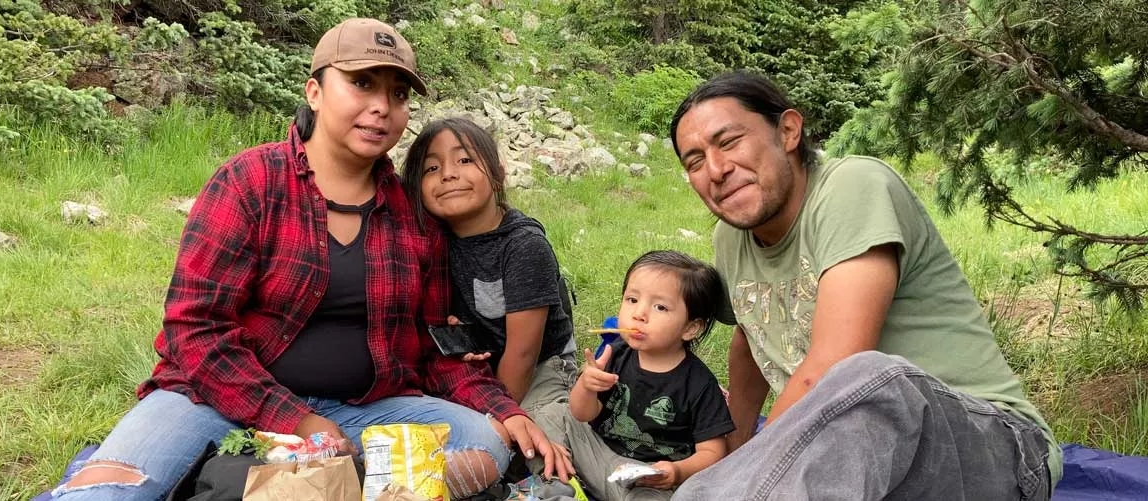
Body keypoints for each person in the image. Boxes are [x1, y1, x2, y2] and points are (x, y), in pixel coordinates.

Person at [51, 18, 570, 500]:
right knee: (110, 490)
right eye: (362, 83)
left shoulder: (412, 216)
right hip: (215, 401)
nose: (382, 106)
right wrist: (296, 420)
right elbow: (195, 328)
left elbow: (434, 346)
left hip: (365, 411)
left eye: (398, 93)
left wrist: (503, 409)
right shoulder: (250, 182)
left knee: (485, 439)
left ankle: (304, 479)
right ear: (315, 92)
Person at [667, 70, 1060, 500]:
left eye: (729, 142)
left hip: (995, 451)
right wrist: (732, 452)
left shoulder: (852, 186)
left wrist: (742, 479)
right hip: (862, 460)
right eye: (695, 161)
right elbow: (748, 335)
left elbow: (830, 371)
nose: (717, 169)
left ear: (788, 131)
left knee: (863, 378)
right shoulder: (730, 238)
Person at [401, 117, 578, 417]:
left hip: (542, 367)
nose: (448, 174)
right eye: (431, 168)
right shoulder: (432, 243)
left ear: (498, 174)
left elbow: (523, 354)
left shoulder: (523, 246)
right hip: (479, 368)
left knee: (543, 429)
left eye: (465, 159)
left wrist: (497, 415)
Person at [535, 250, 735, 501]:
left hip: (646, 480)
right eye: (632, 299)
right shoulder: (616, 353)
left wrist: (676, 471)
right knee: (547, 416)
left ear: (690, 328)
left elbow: (714, 451)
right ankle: (562, 483)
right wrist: (586, 386)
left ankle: (563, 484)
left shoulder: (699, 383)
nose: (639, 314)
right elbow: (582, 414)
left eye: (660, 306)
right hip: (599, 452)